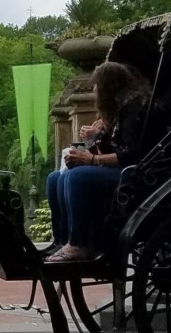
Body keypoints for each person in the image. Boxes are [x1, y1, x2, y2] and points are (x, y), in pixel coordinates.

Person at [44, 61, 153, 262]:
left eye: (96, 87)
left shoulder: (134, 108)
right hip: (121, 169)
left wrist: (91, 159)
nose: (94, 92)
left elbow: (129, 154)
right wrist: (96, 136)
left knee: (77, 177)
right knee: (54, 178)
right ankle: (62, 241)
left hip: (133, 175)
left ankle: (80, 243)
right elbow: (110, 142)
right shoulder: (120, 109)